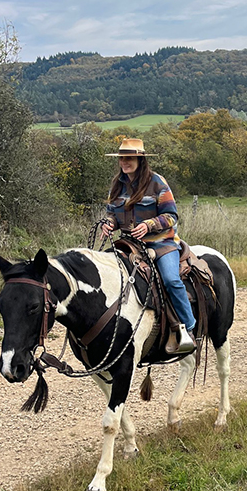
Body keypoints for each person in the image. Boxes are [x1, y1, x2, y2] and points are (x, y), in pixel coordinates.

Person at [102, 138, 195, 354]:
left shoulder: (157, 182)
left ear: (140, 160)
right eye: (122, 158)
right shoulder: (117, 183)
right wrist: (109, 224)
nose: (125, 162)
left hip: (161, 243)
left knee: (171, 280)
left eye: (129, 158)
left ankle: (188, 328)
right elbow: (111, 212)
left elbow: (171, 216)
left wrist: (149, 225)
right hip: (128, 244)